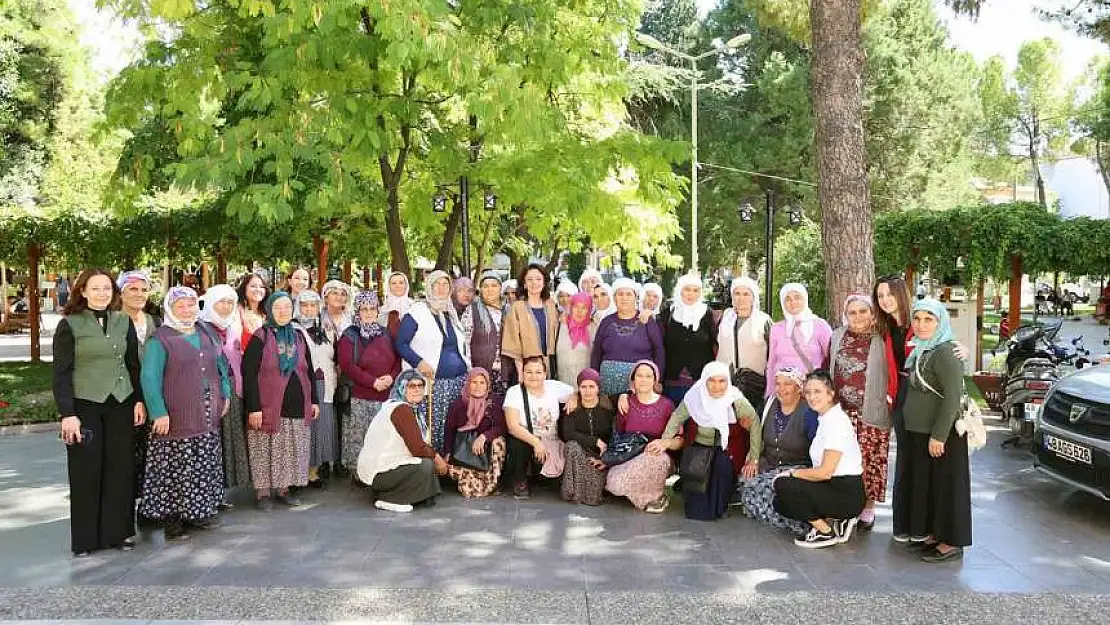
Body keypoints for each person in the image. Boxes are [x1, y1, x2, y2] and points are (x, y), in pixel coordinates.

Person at [53, 268, 146, 557]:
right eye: (96, 288)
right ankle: (85, 540)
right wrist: (68, 413)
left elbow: (133, 366)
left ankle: (117, 533)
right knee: (86, 470)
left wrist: (138, 401)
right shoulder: (69, 325)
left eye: (107, 288)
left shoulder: (122, 321)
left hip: (121, 403)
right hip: (85, 405)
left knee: (120, 469)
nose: (102, 293)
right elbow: (62, 373)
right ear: (82, 291)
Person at [139, 287, 230, 540]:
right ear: (170, 309)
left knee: (202, 464)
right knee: (175, 469)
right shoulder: (161, 339)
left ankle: (197, 513)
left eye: (191, 305)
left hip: (207, 412)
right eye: (181, 306)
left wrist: (225, 394)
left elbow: (222, 365)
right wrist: (158, 412)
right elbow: (149, 377)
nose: (188, 310)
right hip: (175, 417)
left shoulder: (205, 332)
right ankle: (173, 521)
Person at [895, 298, 971, 563]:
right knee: (933, 488)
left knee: (947, 489)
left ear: (940, 322)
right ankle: (936, 535)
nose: (921, 324)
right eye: (917, 319)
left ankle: (951, 541)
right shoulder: (923, 349)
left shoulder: (946, 352)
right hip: (922, 432)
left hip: (942, 435)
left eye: (929, 319)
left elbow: (952, 398)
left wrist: (938, 435)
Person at [242, 291, 319, 511]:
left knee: (289, 448)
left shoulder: (298, 336)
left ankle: (284, 489)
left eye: (287, 307)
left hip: (296, 404)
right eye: (278, 308)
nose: (283, 311)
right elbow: (249, 373)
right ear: (269, 310)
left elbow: (309, 370)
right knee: (265, 448)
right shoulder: (261, 336)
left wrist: (313, 400)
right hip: (268, 405)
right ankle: (263, 492)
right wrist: (254, 407)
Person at [772, 370, 866, 549]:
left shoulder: (835, 422)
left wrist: (792, 473)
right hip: (833, 486)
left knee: (784, 485)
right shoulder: (825, 418)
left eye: (817, 392)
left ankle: (826, 532)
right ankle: (838, 520)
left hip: (846, 493)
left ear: (830, 394)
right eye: (808, 392)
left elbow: (825, 472)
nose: (812, 397)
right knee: (780, 503)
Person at [654, 362, 757, 520]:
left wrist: (753, 458)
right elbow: (676, 418)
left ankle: (719, 506)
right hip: (698, 448)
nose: (717, 386)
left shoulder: (735, 399)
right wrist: (664, 442)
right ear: (704, 381)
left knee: (721, 468)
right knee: (696, 502)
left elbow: (754, 424)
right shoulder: (695, 397)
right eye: (712, 381)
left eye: (722, 381)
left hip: (727, 450)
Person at [829, 294, 891, 531]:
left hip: (871, 410)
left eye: (863, 311)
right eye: (852, 312)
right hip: (841, 411)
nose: (858, 317)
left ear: (872, 313)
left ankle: (868, 507)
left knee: (871, 460)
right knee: (841, 459)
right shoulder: (837, 335)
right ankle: (844, 506)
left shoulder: (882, 337)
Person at [394, 270, 471, 454]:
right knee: (434, 426)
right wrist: (419, 362)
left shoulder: (450, 312)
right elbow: (401, 343)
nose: (441, 288)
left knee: (453, 425)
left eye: (445, 284)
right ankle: (433, 465)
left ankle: (450, 464)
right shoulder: (417, 311)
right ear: (429, 286)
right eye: (437, 284)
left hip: (457, 382)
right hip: (433, 383)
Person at [740, 367, 818, 535]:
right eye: (778, 384)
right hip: (769, 463)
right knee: (746, 483)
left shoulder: (809, 412)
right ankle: (785, 516)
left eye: (787, 384)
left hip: (796, 467)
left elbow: (818, 446)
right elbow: (756, 432)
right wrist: (753, 459)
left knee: (764, 489)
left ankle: (798, 521)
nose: (781, 389)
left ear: (799, 388)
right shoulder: (769, 404)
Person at [356, 370, 446, 512]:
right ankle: (388, 499)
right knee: (426, 465)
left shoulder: (405, 407)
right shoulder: (400, 409)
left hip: (385, 470)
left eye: (420, 386)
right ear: (401, 388)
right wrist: (437, 458)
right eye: (411, 386)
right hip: (379, 473)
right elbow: (417, 448)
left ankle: (392, 494)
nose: (417, 390)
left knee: (427, 468)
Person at [337, 291, 401, 471]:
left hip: (385, 396)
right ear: (357, 311)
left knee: (381, 438)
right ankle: (359, 473)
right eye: (364, 309)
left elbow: (397, 360)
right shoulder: (349, 335)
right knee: (360, 438)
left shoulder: (385, 333)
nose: (369, 312)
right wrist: (373, 382)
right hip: (360, 398)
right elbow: (347, 365)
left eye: (372, 308)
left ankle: (380, 473)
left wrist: (391, 376)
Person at [199, 284, 251, 501]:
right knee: (212, 443)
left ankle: (220, 492)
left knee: (229, 441)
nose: (226, 306)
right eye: (222, 301)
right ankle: (209, 493)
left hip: (233, 390)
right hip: (209, 393)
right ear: (211, 302)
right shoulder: (200, 327)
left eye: (231, 302)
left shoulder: (231, 328)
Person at [605, 361, 675, 513]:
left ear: (655, 380)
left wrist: (665, 443)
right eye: (639, 376)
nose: (643, 380)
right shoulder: (626, 403)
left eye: (648, 376)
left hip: (658, 456)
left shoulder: (666, 405)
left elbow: (680, 439)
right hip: (632, 454)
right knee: (614, 484)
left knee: (654, 459)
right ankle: (644, 494)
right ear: (633, 380)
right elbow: (620, 434)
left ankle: (657, 497)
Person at [502, 356, 574, 499]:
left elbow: (577, 391)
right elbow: (513, 426)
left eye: (538, 372)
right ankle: (520, 480)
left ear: (545, 374)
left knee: (552, 483)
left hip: (551, 440)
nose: (534, 376)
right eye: (529, 372)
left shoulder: (553, 387)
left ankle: (540, 474)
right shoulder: (514, 392)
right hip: (527, 439)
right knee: (518, 443)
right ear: (522, 373)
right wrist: (536, 443)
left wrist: (574, 398)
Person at [294, 290, 340, 487]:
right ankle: (298, 474)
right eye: (305, 305)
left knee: (321, 428)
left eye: (313, 305)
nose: (309, 309)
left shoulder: (327, 328)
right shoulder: (293, 328)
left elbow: (335, 356)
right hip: (302, 385)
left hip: (326, 384)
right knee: (303, 429)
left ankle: (313, 473)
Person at [590, 278, 665, 398]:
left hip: (639, 386)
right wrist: (593, 379)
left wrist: (658, 380)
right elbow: (596, 353)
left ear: (636, 298)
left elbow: (659, 350)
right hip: (608, 386)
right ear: (614, 298)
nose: (624, 298)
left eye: (628, 294)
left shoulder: (646, 320)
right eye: (620, 294)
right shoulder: (606, 322)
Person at [442, 368, 507, 498]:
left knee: (499, 443)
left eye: (482, 383)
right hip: (464, 450)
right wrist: (447, 452)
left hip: (486, 448)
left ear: (487, 385)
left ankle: (492, 482)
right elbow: (449, 430)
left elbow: (501, 427)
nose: (478, 386)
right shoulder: (458, 404)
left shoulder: (494, 401)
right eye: (474, 382)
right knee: (468, 491)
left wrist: (484, 437)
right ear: (468, 384)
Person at [765, 283, 832, 397]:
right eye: (788, 299)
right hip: (783, 392)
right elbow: (771, 363)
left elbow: (831, 358)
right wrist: (770, 392)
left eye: (797, 297)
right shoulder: (776, 328)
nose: (793, 302)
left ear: (804, 299)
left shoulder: (820, 325)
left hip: (810, 391)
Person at [659, 274, 716, 405]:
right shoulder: (668, 314)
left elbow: (715, 344)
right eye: (687, 289)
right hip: (672, 383)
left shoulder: (708, 314)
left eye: (696, 290)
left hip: (701, 383)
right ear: (680, 290)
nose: (691, 294)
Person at [717, 277, 772, 412]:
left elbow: (773, 352)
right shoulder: (725, 317)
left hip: (753, 384)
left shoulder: (763, 320)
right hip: (724, 383)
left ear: (753, 297)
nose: (741, 298)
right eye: (737, 293)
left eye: (746, 294)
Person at [561, 368, 614, 505]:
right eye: (583, 387)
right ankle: (575, 493)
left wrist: (605, 457)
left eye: (592, 386)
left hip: (601, 456)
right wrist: (595, 441)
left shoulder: (608, 406)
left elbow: (630, 393)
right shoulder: (572, 407)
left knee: (593, 497)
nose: (588, 391)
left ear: (598, 388)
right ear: (578, 389)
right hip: (580, 452)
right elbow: (568, 434)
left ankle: (588, 491)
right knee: (571, 447)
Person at [502, 264, 560, 382]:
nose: (534, 283)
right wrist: (521, 374)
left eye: (538, 279)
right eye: (530, 279)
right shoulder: (517, 308)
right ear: (524, 283)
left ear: (544, 282)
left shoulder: (551, 305)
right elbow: (513, 342)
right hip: (527, 369)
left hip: (550, 367)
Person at [461, 271, 509, 394]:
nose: (490, 289)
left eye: (494, 285)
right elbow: (464, 343)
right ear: (480, 289)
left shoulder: (510, 310)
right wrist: (470, 370)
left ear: (500, 288)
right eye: (485, 286)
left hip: (507, 372)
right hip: (481, 374)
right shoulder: (472, 310)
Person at [555, 292, 597, 386]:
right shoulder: (560, 326)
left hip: (586, 389)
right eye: (576, 307)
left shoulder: (594, 328)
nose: (579, 311)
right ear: (570, 307)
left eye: (584, 308)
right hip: (562, 386)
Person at [116, 270, 158, 345]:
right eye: (133, 289)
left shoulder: (156, 322)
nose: (139, 294)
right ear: (121, 294)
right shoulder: (111, 322)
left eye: (144, 290)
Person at [237, 272, 270, 351]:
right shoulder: (237, 312)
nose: (258, 290)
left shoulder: (269, 313)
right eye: (253, 286)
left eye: (262, 287)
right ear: (244, 288)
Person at [380, 271, 414, 336]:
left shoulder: (414, 306)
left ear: (406, 285)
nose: (397, 286)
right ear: (388, 286)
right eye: (393, 283)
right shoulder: (383, 309)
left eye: (401, 283)